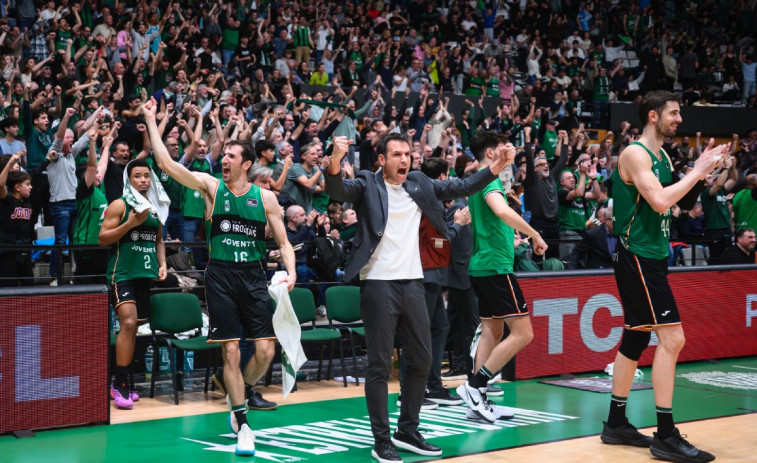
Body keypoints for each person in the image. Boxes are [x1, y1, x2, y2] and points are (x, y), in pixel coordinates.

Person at [325, 133, 512, 463]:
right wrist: (336, 160)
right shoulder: (368, 183)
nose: (403, 160)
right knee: (380, 365)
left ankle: (407, 430)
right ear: (381, 159)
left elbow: (461, 187)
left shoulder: (419, 183)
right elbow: (338, 190)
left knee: (423, 359)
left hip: (413, 281)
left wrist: (494, 168)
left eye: (407, 154)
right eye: (396, 154)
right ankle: (381, 439)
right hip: (379, 283)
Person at [143, 98, 296, 457]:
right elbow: (165, 163)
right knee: (230, 349)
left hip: (254, 277)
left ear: (246, 163)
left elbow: (286, 244)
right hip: (221, 276)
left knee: (265, 351)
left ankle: (237, 389)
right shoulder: (212, 187)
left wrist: (289, 272)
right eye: (222, 155)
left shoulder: (266, 200)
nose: (222, 159)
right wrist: (152, 119)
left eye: (230, 156)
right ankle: (242, 422)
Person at [600, 90, 727, 463]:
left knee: (636, 338)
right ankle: (666, 435)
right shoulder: (635, 154)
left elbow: (683, 203)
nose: (680, 119)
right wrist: (698, 170)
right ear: (653, 116)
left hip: (652, 256)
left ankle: (615, 422)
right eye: (674, 113)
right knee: (673, 340)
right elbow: (658, 201)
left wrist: (704, 173)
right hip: (636, 255)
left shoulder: (664, 155)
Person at [455, 132, 548, 423]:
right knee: (524, 333)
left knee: (492, 331)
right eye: (505, 147)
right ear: (492, 153)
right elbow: (500, 210)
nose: (511, 151)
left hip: (481, 266)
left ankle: (477, 401)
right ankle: (475, 386)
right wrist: (534, 233)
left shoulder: (479, 182)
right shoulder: (489, 181)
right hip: (495, 267)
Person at [99, 159, 167, 410]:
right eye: (138, 176)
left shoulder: (155, 207)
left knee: (134, 328)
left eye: (146, 176)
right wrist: (129, 223)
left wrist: (163, 264)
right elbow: (102, 238)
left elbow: (159, 240)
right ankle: (120, 382)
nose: (143, 180)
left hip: (144, 274)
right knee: (127, 323)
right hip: (122, 273)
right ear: (129, 179)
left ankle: (124, 379)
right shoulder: (120, 204)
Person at [0, 154, 33, 286]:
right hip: (8, 251)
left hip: (24, 249)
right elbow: (1, 184)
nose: (31, 187)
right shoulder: (7, 200)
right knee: (9, 287)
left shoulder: (28, 201)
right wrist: (10, 163)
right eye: (28, 184)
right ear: (17, 187)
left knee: (29, 286)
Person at [568, 203, 616, 270]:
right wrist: (571, 273)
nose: (617, 223)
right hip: (597, 274)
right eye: (614, 220)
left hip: (617, 273)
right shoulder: (593, 234)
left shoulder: (623, 234)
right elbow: (577, 253)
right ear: (606, 220)